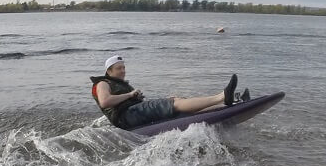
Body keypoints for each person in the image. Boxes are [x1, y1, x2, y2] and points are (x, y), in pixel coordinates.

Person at [89, 54, 240, 130]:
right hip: (126, 118)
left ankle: (227, 103)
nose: (123, 71)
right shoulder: (102, 83)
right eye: (119, 68)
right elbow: (105, 101)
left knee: (177, 102)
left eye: (123, 68)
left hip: (132, 114)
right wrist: (129, 95)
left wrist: (137, 97)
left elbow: (138, 105)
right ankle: (221, 96)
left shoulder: (119, 84)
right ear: (109, 71)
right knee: (174, 103)